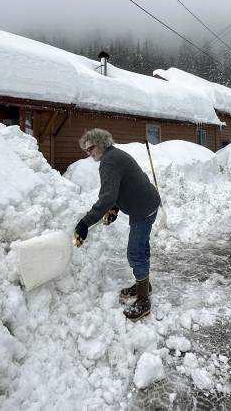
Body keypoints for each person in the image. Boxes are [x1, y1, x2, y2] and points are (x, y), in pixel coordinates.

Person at [74, 128, 161, 322]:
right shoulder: (115, 155)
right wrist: (115, 208)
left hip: (143, 210)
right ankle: (143, 285)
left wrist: (85, 223)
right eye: (86, 151)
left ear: (101, 143)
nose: (89, 154)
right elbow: (121, 187)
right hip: (148, 203)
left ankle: (143, 300)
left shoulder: (109, 161)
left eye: (91, 149)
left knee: (135, 253)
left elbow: (107, 197)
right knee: (141, 248)